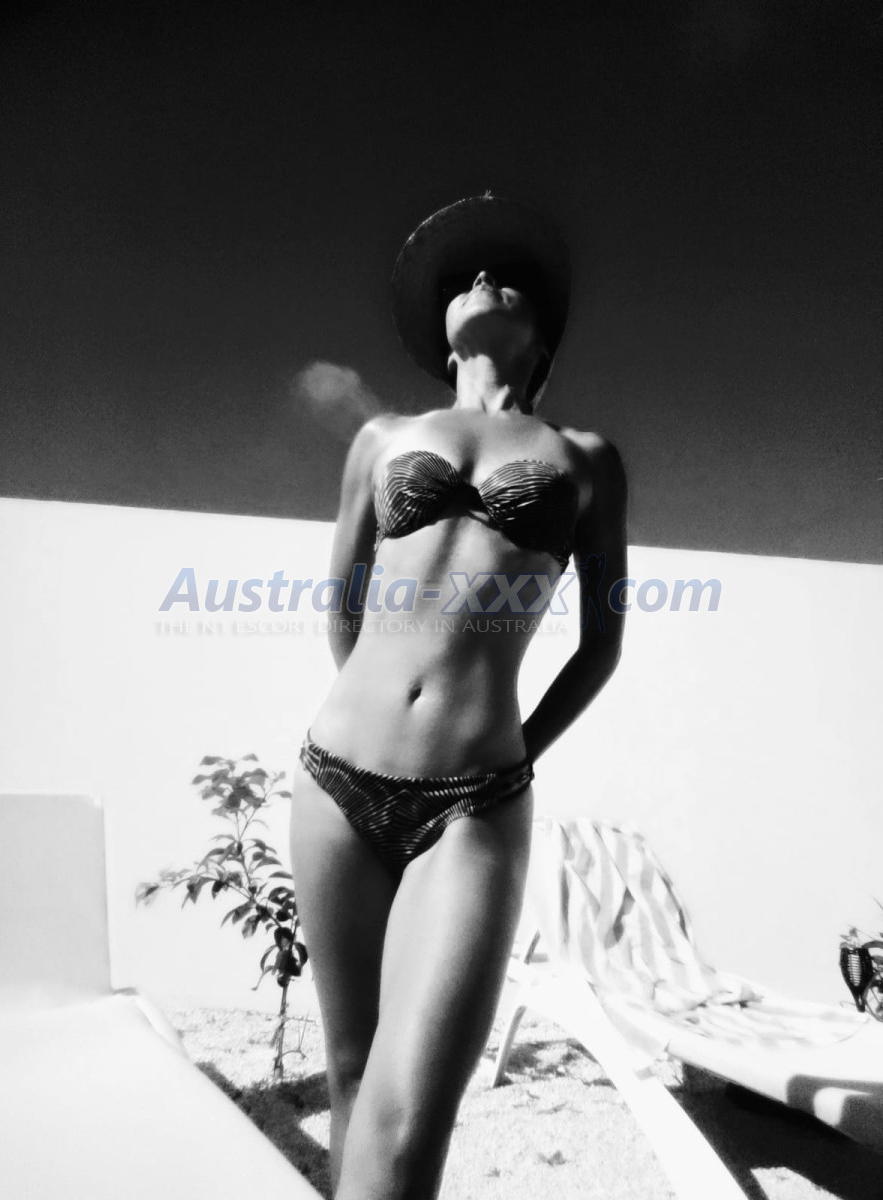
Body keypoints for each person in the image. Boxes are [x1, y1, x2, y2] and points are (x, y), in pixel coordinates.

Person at [290, 195, 627, 1200]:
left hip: (474, 805)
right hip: (335, 782)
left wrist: (514, 750)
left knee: (407, 1125)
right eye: (461, 279)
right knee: (351, 1078)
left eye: (505, 275)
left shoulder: (586, 459)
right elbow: (342, 607)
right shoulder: (382, 439)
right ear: (443, 338)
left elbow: (601, 645)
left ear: (543, 335)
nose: (481, 281)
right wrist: (379, 700)